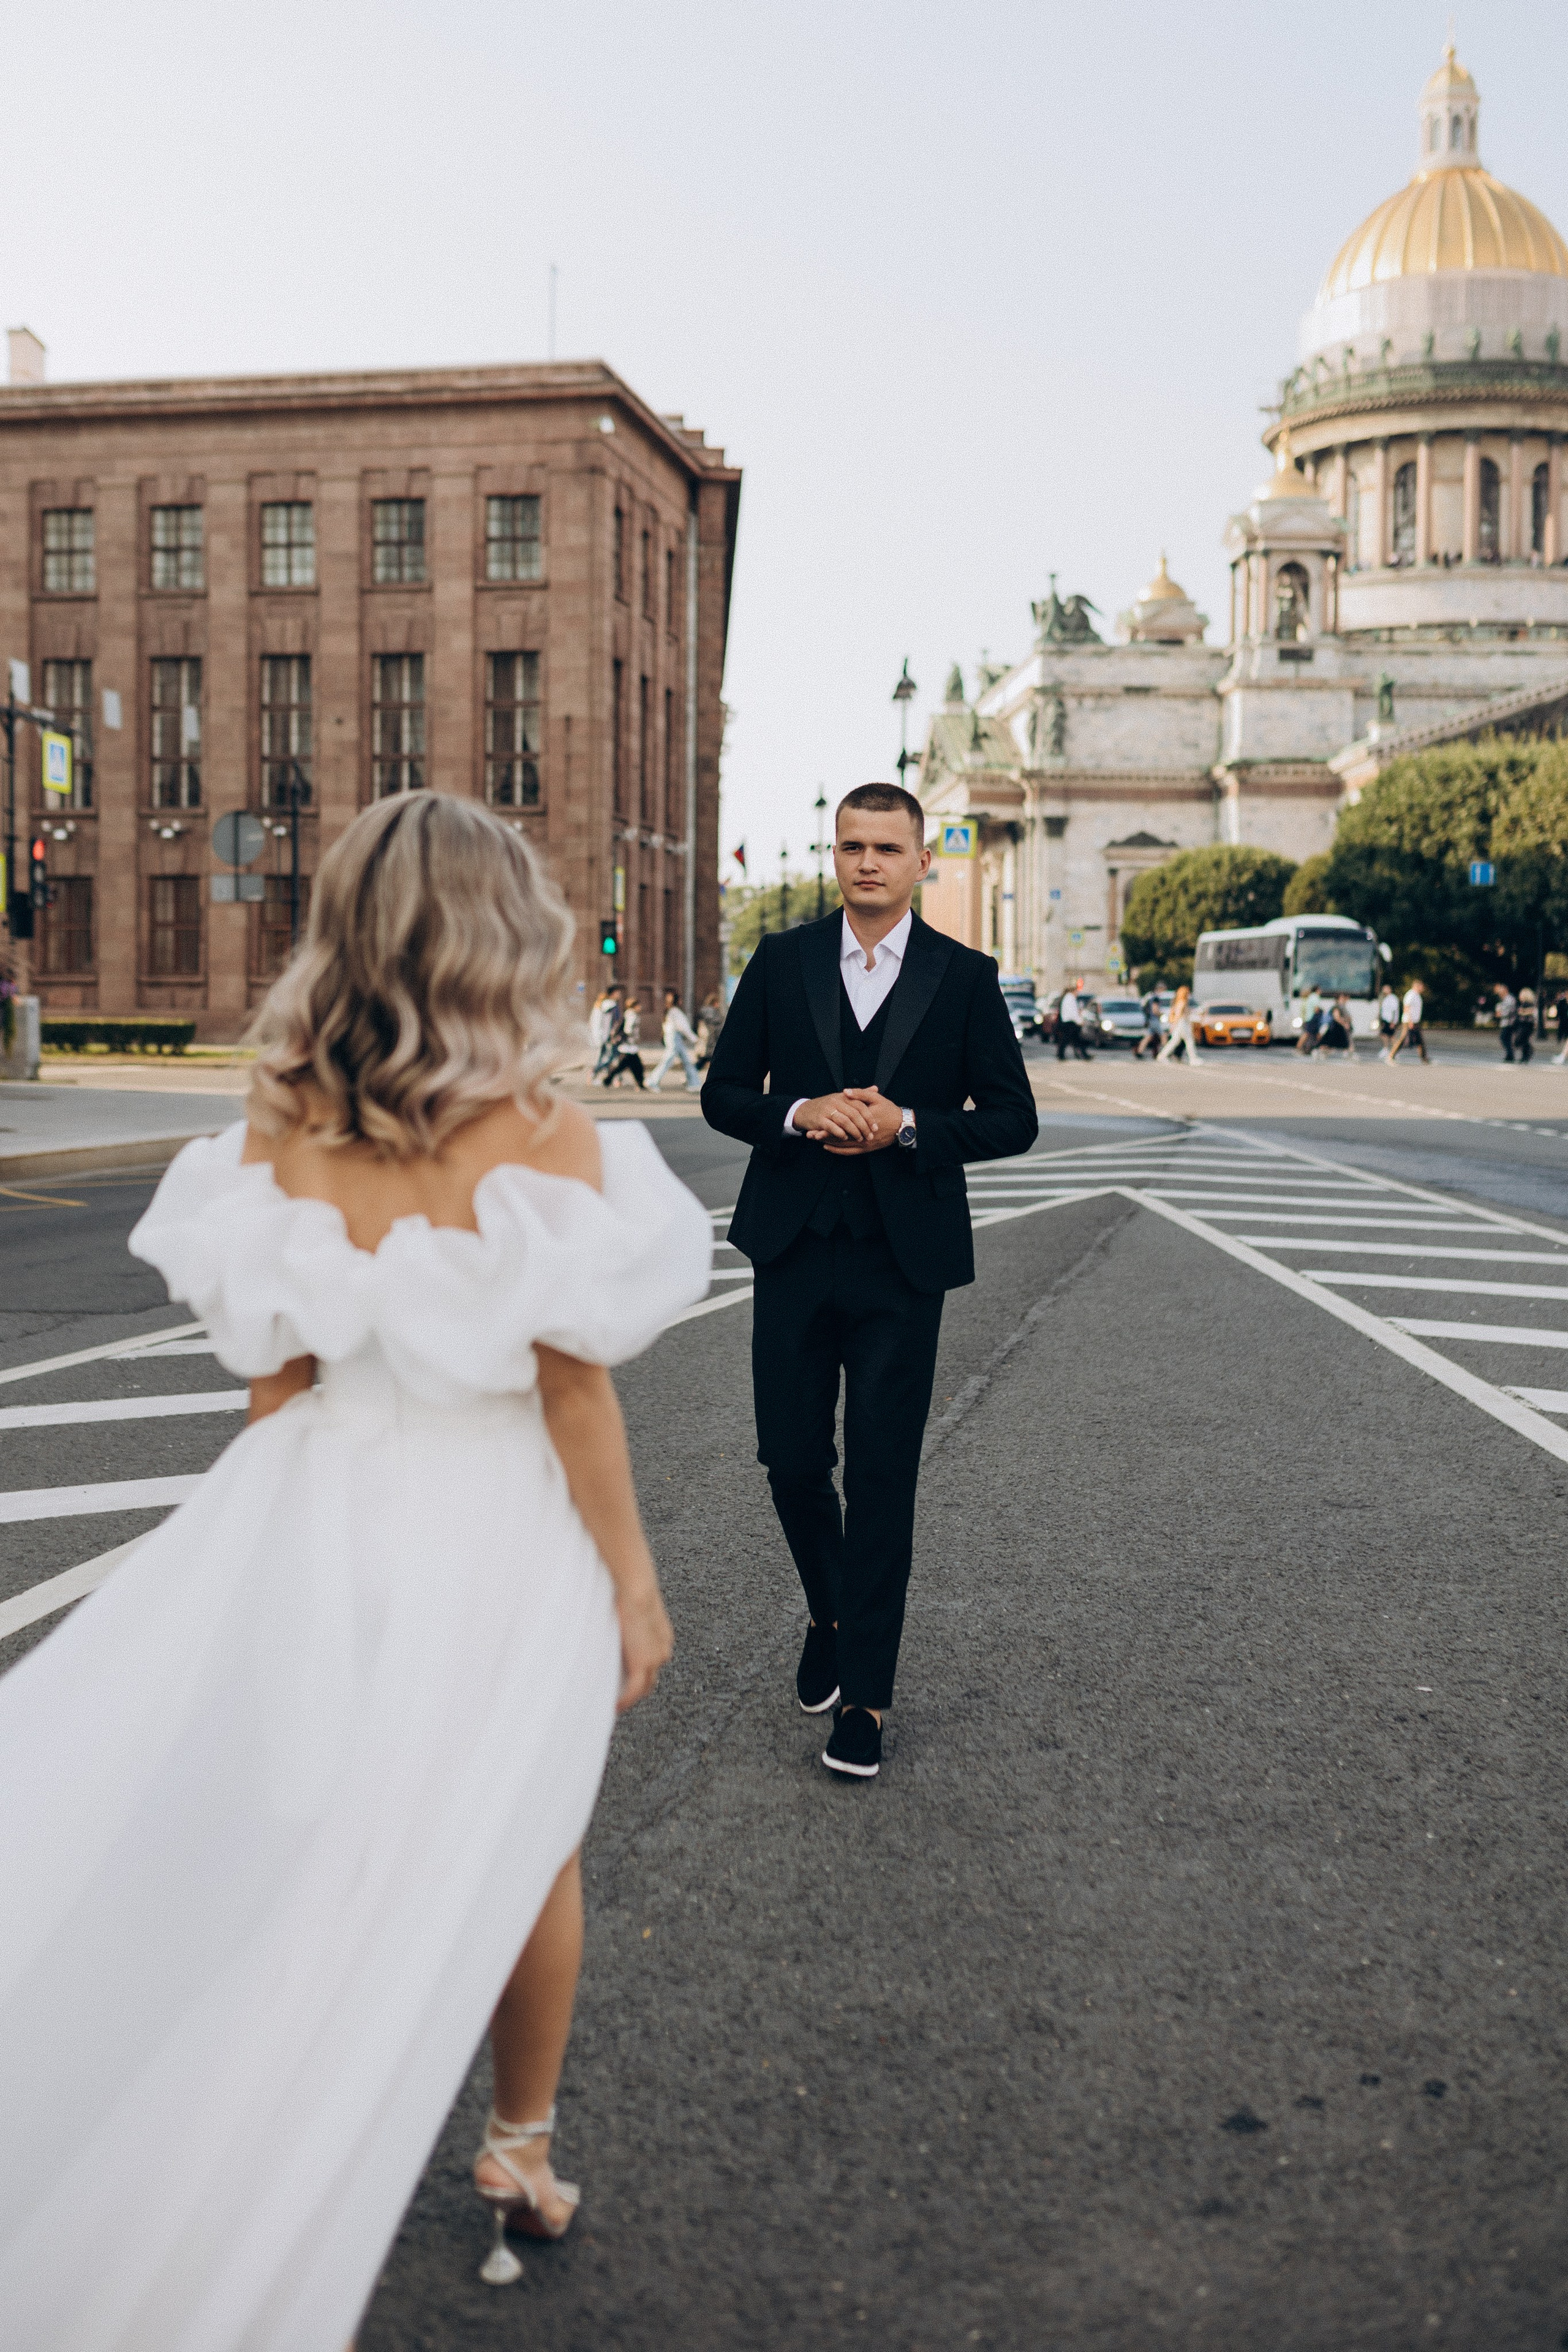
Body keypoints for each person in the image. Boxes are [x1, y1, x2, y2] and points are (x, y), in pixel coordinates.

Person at [0, 795, 710, 2343]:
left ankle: (238, 2123)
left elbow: (276, 1381)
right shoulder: (545, 1133)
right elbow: (573, 1392)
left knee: (312, 1837)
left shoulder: (279, 1126)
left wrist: (270, 1552)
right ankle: (518, 2143)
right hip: (493, 1524)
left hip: (320, 1503)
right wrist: (632, 1582)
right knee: (529, 1837)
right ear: (499, 930)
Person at [701, 782, 1037, 1782]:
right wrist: (799, 1112)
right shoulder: (782, 961)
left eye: (888, 848)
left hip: (904, 1260)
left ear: (923, 861)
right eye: (852, 846)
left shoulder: (964, 978)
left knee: (885, 1477)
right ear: (834, 855)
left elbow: (1012, 1119)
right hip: (794, 1247)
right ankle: (830, 1611)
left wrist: (911, 1126)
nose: (868, 863)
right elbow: (723, 1093)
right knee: (791, 1460)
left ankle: (866, 1700)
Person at [649, 988, 703, 1091]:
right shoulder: (675, 1012)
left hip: (674, 1038)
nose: (682, 1001)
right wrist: (694, 1039)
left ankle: (694, 1083)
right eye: (680, 999)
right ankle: (652, 1081)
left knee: (686, 1061)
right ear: (677, 1001)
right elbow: (683, 1028)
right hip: (674, 1039)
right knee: (668, 1061)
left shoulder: (670, 1011)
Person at [600, 993, 646, 1090]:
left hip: (629, 1046)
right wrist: (633, 1038)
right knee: (633, 1066)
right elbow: (628, 1030)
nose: (640, 1007)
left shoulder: (629, 1014)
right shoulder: (632, 1015)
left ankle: (640, 1083)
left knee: (631, 1066)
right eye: (639, 1005)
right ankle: (608, 1079)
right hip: (629, 1046)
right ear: (635, 1006)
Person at [1156, 982, 1200, 1065]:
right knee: (1189, 1040)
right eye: (1187, 992)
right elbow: (1178, 1015)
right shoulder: (1182, 1002)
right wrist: (1173, 1026)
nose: (1189, 994)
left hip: (1181, 1023)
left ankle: (1162, 1056)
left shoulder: (1180, 1002)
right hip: (1182, 1024)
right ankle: (1193, 1059)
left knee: (1175, 1041)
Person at [1389, 978, 1428, 1062]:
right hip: (1408, 1021)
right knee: (1403, 1038)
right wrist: (1410, 1021)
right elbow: (1407, 1008)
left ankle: (1424, 1058)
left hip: (1415, 1021)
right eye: (1421, 986)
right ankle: (1391, 1055)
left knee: (1420, 1040)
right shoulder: (1411, 995)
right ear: (1417, 986)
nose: (1423, 988)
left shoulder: (1417, 995)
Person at [1055, 976, 1090, 1060]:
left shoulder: (1067, 997)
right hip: (1069, 1022)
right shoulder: (1070, 998)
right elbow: (1073, 1012)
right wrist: (1079, 1021)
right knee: (1070, 1039)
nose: (1078, 994)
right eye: (1077, 992)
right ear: (1074, 991)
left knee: (1073, 1040)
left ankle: (1082, 1055)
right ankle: (1062, 1055)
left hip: (1067, 1021)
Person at [1320, 992, 1357, 1060]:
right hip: (1337, 1028)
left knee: (1343, 1043)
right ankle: (1351, 1055)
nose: (1344, 999)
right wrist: (1345, 1024)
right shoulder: (1336, 1007)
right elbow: (1337, 1018)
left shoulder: (1343, 1007)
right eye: (1342, 998)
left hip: (1341, 1028)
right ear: (1338, 999)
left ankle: (1350, 1055)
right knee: (1330, 1043)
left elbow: (1347, 1017)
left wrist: (1348, 1021)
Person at [1295, 985, 1324, 1054]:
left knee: (1315, 1034)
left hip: (1308, 1018)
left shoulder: (1310, 997)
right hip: (1313, 1019)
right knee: (1307, 1034)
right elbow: (1316, 1009)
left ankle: (1322, 1047)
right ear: (1317, 990)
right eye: (1320, 990)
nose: (1321, 991)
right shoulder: (1315, 997)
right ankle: (1298, 1048)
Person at [1134, 993, 1164, 1059]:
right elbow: (1155, 1010)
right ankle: (1166, 1052)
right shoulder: (1156, 999)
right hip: (1155, 1021)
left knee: (1148, 1037)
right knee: (1163, 1036)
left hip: (1150, 1020)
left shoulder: (1150, 997)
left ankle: (1139, 1052)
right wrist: (1161, 1014)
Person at [1378, 982, 1401, 1057]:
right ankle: (1388, 1050)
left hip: (1390, 1020)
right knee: (1385, 1035)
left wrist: (1393, 1022)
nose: (1384, 990)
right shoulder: (1385, 998)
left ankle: (1394, 1050)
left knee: (1391, 1036)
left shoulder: (1393, 998)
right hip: (1385, 1020)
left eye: (1386, 989)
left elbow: (1395, 1011)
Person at [1498, 984, 1519, 1063]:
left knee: (1504, 1038)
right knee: (1507, 1039)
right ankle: (1509, 1056)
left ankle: (1510, 1055)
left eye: (1501, 990)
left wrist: (1501, 1013)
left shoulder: (1510, 999)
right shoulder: (1504, 999)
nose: (1500, 992)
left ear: (1506, 990)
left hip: (1509, 1023)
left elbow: (1511, 1011)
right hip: (1505, 1022)